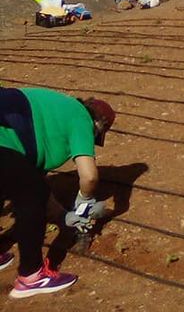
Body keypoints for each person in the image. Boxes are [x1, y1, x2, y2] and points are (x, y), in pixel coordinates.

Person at [0, 88, 115, 298]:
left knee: (14, 182)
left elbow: (36, 184)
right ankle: (32, 276)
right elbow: (89, 176)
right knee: (28, 191)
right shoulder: (81, 117)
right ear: (99, 124)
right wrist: (85, 200)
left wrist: (63, 216)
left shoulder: (54, 111)